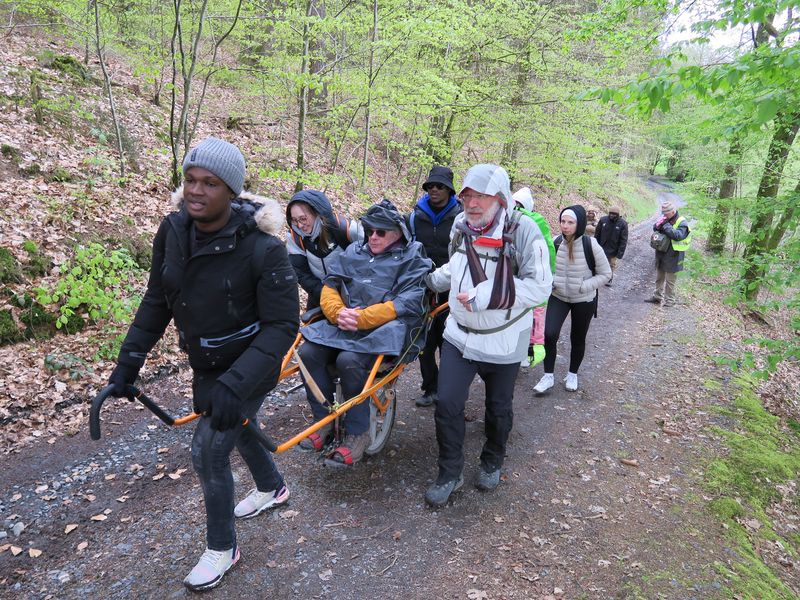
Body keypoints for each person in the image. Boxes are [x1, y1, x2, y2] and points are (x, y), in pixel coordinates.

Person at [107, 138, 300, 592]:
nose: (196, 190)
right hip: (207, 361)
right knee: (234, 423)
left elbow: (281, 327)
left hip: (253, 363)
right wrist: (128, 363)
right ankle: (272, 487)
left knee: (209, 448)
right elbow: (158, 298)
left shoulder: (263, 249)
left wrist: (236, 385)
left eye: (210, 183)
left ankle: (222, 548)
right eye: (191, 179)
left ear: (232, 192)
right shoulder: (172, 232)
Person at [424, 164, 553, 507]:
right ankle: (449, 473)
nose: (473, 203)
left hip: (504, 338)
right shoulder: (460, 224)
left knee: (498, 408)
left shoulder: (524, 232)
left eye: (481, 196)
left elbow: (541, 287)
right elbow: (459, 264)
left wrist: (486, 295)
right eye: (467, 195)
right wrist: (434, 278)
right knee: (447, 403)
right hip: (459, 334)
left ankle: (492, 459)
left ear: (500, 199)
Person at [297, 199, 432, 466]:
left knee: (349, 361)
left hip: (382, 330)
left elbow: (409, 300)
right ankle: (323, 420)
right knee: (307, 352)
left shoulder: (412, 257)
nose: (373, 236)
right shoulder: (355, 252)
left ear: (398, 233)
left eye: (381, 232)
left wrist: (365, 318)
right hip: (345, 323)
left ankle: (358, 434)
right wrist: (337, 312)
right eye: (370, 230)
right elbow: (330, 285)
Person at [533, 205, 611, 395]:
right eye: (563, 221)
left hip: (583, 299)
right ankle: (548, 375)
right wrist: (549, 282)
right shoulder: (555, 242)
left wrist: (584, 286)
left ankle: (572, 374)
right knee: (549, 334)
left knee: (577, 338)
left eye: (570, 222)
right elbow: (546, 269)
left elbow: (606, 273)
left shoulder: (590, 245)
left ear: (580, 224)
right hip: (558, 296)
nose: (565, 226)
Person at [407, 166, 462, 407]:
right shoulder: (415, 216)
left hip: (453, 288)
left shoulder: (461, 217)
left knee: (449, 342)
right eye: (430, 186)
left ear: (449, 190)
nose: (434, 190)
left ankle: (449, 391)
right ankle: (430, 387)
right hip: (423, 287)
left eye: (439, 186)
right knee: (424, 343)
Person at [286, 190, 361, 311]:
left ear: (317, 213)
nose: (299, 225)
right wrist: (324, 294)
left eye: (303, 219)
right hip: (319, 295)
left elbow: (372, 254)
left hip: (353, 296)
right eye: (294, 220)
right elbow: (301, 272)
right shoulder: (295, 237)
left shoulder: (344, 228)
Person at [512, 187, 555, 368]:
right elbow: (549, 251)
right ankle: (525, 352)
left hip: (512, 275)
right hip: (530, 275)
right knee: (531, 314)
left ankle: (517, 352)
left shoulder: (502, 217)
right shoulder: (538, 221)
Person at [645, 200, 691, 307]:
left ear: (673, 211)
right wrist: (659, 224)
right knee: (659, 277)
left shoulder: (682, 222)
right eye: (663, 213)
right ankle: (657, 297)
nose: (664, 215)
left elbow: (678, 235)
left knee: (670, 281)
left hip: (675, 255)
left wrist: (665, 226)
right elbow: (655, 227)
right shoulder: (665, 218)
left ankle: (670, 300)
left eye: (666, 213)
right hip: (662, 253)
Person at [594, 205, 628, 287]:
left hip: (614, 249)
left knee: (611, 264)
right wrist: (595, 245)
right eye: (611, 213)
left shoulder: (622, 224)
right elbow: (597, 234)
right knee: (599, 263)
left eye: (614, 214)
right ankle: (599, 277)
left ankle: (609, 279)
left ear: (618, 214)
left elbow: (624, 240)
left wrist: (620, 253)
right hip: (602, 246)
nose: (612, 215)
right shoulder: (603, 220)